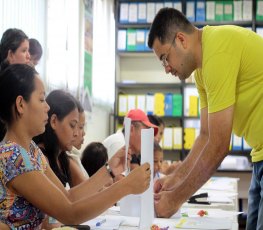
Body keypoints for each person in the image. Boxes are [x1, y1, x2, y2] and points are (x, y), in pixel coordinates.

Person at [148, 7, 263, 227]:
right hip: (259, 155)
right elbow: (205, 136)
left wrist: (175, 198)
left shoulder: (217, 52)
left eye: (165, 58)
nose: (166, 68)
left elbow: (219, 145)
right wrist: (175, 180)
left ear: (181, 40)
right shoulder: (202, 69)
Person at [0, 64, 151, 229]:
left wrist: (109, 170)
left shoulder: (31, 151)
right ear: (21, 104)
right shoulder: (14, 156)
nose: (47, 107)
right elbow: (69, 213)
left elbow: (68, 197)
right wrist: (125, 186)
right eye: (42, 99)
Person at [34, 89, 86, 188]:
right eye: (72, 125)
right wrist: (109, 171)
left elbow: (87, 192)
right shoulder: (39, 157)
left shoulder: (63, 158)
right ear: (53, 121)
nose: (76, 133)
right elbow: (66, 201)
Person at [0, 28, 30, 140]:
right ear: (11, 55)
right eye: (24, 51)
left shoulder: (22, 81)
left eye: (28, 51)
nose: (29, 56)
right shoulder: (5, 85)